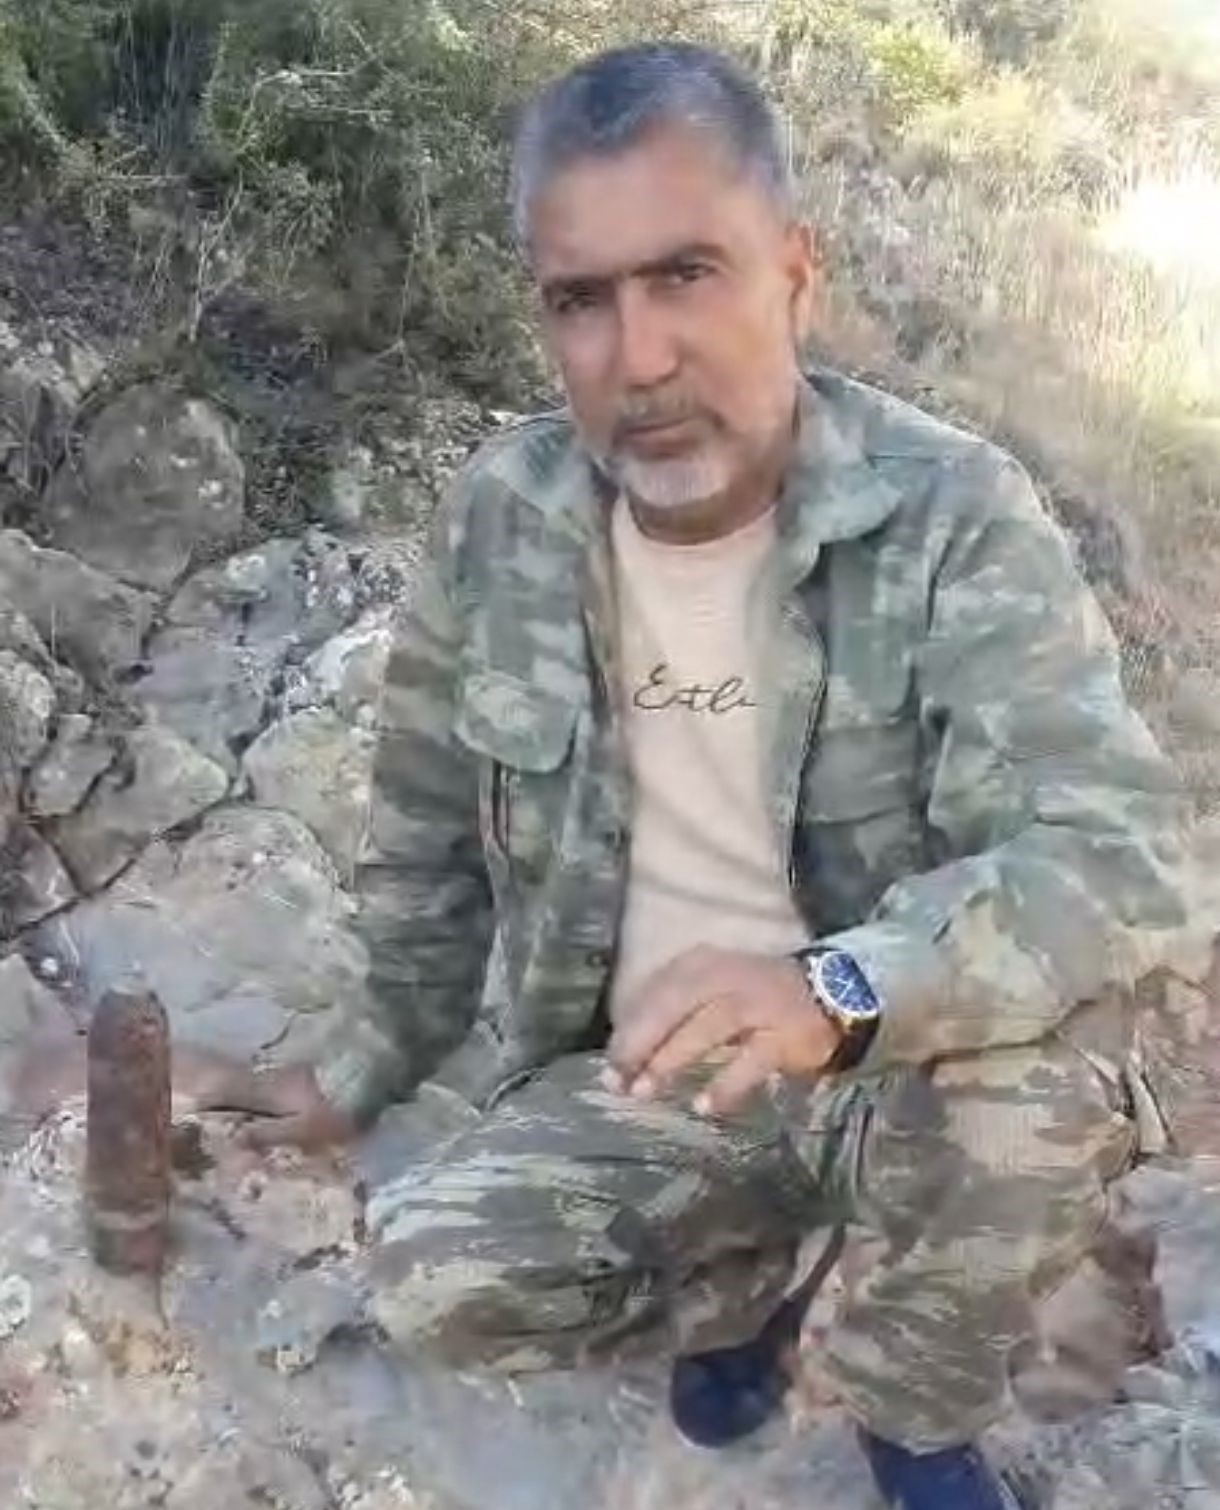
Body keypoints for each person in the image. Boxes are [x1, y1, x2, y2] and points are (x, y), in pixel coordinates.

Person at [187, 42, 1192, 1510]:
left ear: (795, 275)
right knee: (434, 1277)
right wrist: (358, 1068)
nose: (638, 357)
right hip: (644, 1080)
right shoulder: (503, 518)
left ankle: (913, 1417)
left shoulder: (953, 516)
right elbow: (421, 838)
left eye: (686, 276)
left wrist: (836, 990)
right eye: (580, 300)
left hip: (893, 1066)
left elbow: (1115, 852)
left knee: (1034, 1110)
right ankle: (750, 1291)